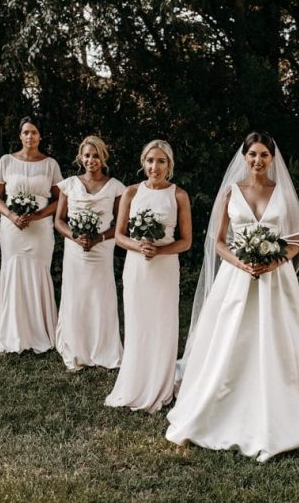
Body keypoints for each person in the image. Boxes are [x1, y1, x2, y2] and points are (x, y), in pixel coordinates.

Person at [166, 132, 299, 462]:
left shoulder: (282, 193)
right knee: (230, 341)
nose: (258, 160)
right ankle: (222, 405)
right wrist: (243, 263)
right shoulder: (230, 193)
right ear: (244, 157)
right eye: (252, 154)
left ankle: (278, 412)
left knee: (274, 341)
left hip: (275, 280)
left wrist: (273, 263)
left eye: (264, 155)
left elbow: (296, 241)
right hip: (237, 278)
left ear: (272, 158)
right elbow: (219, 241)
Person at [105, 140, 192, 412]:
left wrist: (160, 250)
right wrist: (140, 246)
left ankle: (162, 384)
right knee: (138, 322)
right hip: (137, 267)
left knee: (163, 323)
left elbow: (186, 241)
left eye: (161, 161)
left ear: (170, 165)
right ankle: (135, 379)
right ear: (143, 162)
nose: (155, 167)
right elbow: (119, 235)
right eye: (150, 161)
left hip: (165, 269)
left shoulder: (179, 195)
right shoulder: (131, 192)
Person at [0, 116, 62, 354]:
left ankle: (41, 333)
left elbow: (61, 200)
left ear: (40, 136)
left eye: (34, 132)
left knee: (38, 272)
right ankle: (11, 334)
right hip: (12, 228)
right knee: (13, 271)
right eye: (26, 132)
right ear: (20, 135)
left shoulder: (50, 164)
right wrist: (11, 215)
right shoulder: (6, 161)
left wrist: (38, 216)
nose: (30, 136)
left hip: (40, 228)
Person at [54, 136, 125, 370]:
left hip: (102, 249)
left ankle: (102, 349)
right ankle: (77, 348)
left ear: (103, 158)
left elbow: (121, 225)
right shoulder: (69, 184)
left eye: (95, 155)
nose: (91, 160)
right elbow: (59, 221)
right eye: (87, 155)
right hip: (75, 251)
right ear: (80, 157)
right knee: (77, 296)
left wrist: (99, 238)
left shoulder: (115, 187)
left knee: (99, 296)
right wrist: (75, 237)